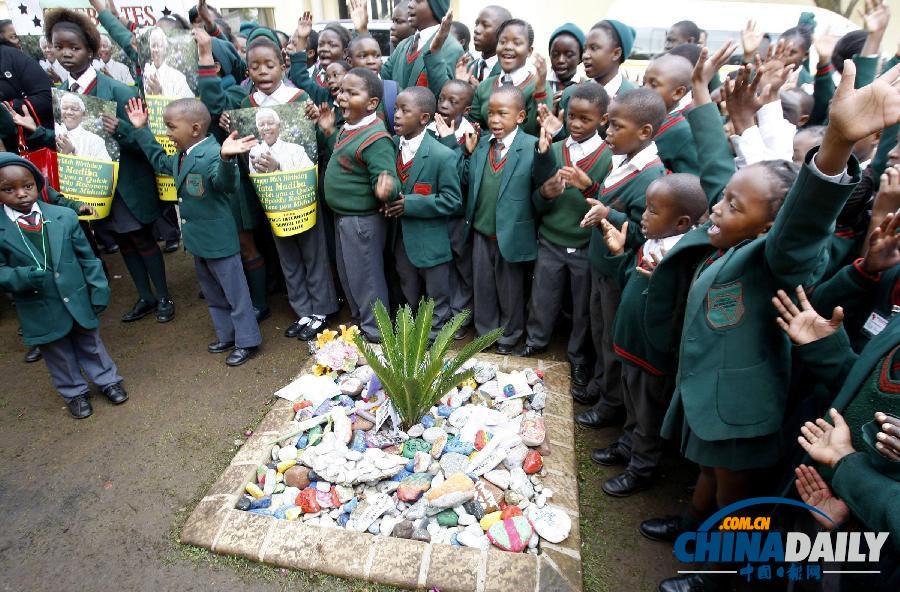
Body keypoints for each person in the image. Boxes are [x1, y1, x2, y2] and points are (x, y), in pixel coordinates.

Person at [641, 44, 899, 592]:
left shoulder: (772, 258)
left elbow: (801, 226)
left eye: (735, 206)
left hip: (739, 413)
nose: (718, 207)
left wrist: (835, 145)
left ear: (768, 228)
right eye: (724, 199)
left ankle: (716, 574)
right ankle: (690, 527)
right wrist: (704, 98)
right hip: (707, 404)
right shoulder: (728, 240)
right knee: (708, 480)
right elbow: (718, 166)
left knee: (735, 500)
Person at [14, 8, 174, 324]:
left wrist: (122, 130)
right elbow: (66, 141)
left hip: (127, 183)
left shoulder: (116, 89)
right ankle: (146, 297)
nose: (67, 54)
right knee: (124, 241)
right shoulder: (60, 94)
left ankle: (165, 296)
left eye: (74, 47)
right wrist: (37, 131)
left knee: (141, 238)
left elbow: (143, 142)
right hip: (94, 185)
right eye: (59, 47)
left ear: (90, 49)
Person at [126, 97, 262, 366]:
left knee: (236, 295)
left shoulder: (213, 152)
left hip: (219, 242)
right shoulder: (182, 155)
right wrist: (141, 129)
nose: (167, 133)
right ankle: (227, 335)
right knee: (213, 294)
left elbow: (224, 185)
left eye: (171, 127)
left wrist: (226, 159)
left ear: (195, 128)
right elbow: (159, 161)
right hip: (198, 241)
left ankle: (247, 341)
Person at [594, 175, 707, 497]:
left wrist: (663, 282)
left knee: (647, 416)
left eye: (653, 211)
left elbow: (679, 309)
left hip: (651, 355)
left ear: (682, 222)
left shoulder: (683, 260)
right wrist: (619, 254)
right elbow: (630, 280)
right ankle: (627, 446)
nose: (643, 216)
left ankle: (640, 469)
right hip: (630, 346)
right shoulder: (652, 242)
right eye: (646, 207)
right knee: (632, 405)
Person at [0, 153, 127, 419]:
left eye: (27, 186)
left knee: (91, 343)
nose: (21, 194)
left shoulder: (64, 216)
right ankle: (74, 392)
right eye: (8, 189)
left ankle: (107, 380)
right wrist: (20, 277)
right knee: (57, 352)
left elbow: (87, 257)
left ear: (38, 184)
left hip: (76, 296)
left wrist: (99, 288)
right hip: (39, 304)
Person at [575, 88, 666, 422]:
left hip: (619, 274)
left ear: (644, 132)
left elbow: (645, 233)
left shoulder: (650, 178)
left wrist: (608, 216)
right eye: (608, 125)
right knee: (601, 335)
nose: (607, 133)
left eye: (616, 127)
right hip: (602, 267)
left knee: (613, 341)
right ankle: (603, 387)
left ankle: (611, 405)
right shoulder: (625, 161)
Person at [518, 84, 612, 402]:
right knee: (542, 295)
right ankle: (536, 340)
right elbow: (537, 200)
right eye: (571, 116)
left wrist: (589, 187)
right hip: (551, 240)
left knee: (583, 306)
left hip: (585, 245)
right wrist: (545, 194)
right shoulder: (555, 150)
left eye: (585, 119)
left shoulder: (609, 157)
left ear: (602, 119)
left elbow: (610, 205)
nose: (576, 124)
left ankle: (578, 356)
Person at [462, 85, 554, 353]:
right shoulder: (481, 146)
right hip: (482, 231)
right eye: (490, 113)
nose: (494, 120)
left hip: (512, 234)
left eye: (502, 113)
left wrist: (545, 154)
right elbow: (468, 182)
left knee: (510, 290)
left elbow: (543, 181)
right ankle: (485, 332)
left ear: (520, 117)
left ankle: (509, 334)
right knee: (484, 287)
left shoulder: (530, 147)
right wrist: (467, 154)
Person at [320, 67, 399, 342]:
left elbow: (387, 176)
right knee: (350, 274)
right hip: (343, 217)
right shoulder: (349, 127)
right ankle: (361, 323)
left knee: (367, 278)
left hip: (361, 222)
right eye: (341, 90)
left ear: (372, 103)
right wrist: (330, 131)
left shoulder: (376, 138)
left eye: (352, 93)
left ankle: (377, 333)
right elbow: (346, 157)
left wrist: (386, 187)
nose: (342, 97)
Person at [384, 86, 462, 338]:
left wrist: (412, 204)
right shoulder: (391, 146)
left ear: (424, 118)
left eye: (405, 110)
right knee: (406, 287)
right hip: (400, 240)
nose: (396, 115)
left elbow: (452, 200)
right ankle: (411, 335)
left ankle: (435, 339)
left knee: (436, 295)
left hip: (431, 243)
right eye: (395, 108)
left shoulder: (442, 155)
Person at [469, 19, 552, 137]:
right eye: (502, 42)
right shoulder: (484, 86)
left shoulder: (538, 86)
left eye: (517, 43)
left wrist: (540, 92)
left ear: (529, 51)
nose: (507, 47)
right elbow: (474, 125)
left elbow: (539, 130)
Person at [382, 0, 463, 96]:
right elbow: (383, 77)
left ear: (436, 6)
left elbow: (444, 95)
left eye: (418, 1)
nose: (410, 4)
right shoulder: (403, 45)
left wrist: (434, 54)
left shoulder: (451, 48)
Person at [642, 52, 699, 174]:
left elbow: (689, 183)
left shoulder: (683, 133)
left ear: (677, 93)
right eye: (644, 82)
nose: (644, 89)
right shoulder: (647, 118)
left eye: (653, 84)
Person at [248, 108, 314, 174]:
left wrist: (278, 167)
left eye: (270, 123)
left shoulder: (296, 150)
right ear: (258, 129)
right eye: (261, 125)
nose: (266, 128)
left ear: (279, 126)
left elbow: (310, 175)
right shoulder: (254, 153)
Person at [54, 93, 112, 161]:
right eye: (65, 108)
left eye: (74, 109)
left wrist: (73, 151)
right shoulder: (53, 133)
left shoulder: (95, 141)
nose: (69, 112)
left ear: (83, 114)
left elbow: (105, 168)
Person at [143, 27, 194, 98]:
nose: (156, 50)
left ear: (165, 49)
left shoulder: (178, 78)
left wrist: (160, 92)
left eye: (160, 46)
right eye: (153, 46)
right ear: (150, 49)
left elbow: (188, 104)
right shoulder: (145, 74)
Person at [466, 5, 511, 83]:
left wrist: (479, 92)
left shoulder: (510, 71)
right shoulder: (467, 68)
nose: (476, 30)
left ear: (503, 32)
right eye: (477, 24)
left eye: (485, 25)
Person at [547, 23, 585, 96]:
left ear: (580, 58)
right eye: (555, 54)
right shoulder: (540, 86)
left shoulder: (587, 88)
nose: (560, 60)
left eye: (569, 55)